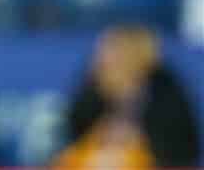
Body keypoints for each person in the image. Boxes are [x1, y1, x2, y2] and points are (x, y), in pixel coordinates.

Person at [58, 25, 200, 168]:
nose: (102, 58)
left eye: (112, 50)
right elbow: (73, 133)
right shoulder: (94, 84)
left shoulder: (165, 86)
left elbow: (182, 146)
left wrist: (137, 137)